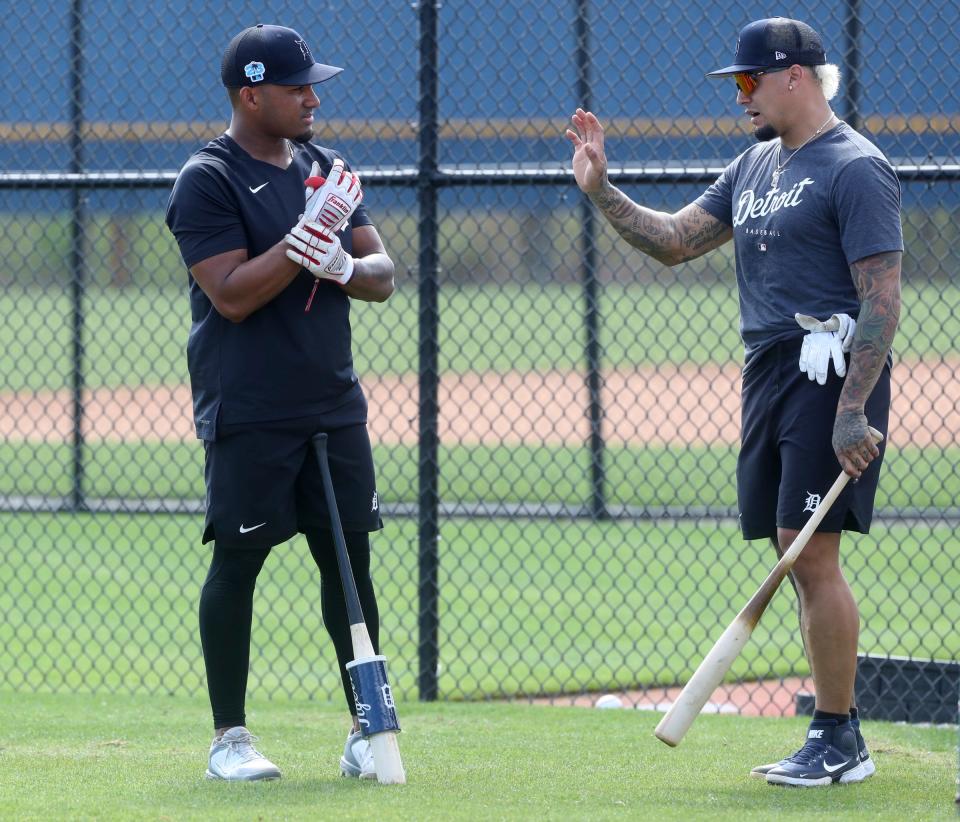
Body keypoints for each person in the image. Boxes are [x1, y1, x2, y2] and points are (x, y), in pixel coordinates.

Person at [567, 17, 901, 787]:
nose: (741, 97)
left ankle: (838, 736)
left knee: (810, 550)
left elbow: (881, 298)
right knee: (791, 544)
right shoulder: (753, 165)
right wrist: (601, 190)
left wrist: (855, 408)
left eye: (751, 82)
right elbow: (676, 239)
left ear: (798, 76)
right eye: (738, 85)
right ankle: (836, 733)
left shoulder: (856, 166)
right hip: (769, 370)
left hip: (829, 367)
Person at [164, 23, 396, 781]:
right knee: (239, 562)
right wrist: (307, 242)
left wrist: (336, 258)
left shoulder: (325, 166)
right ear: (250, 94)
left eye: (313, 85)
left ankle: (368, 729)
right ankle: (229, 740)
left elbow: (382, 272)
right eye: (297, 88)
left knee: (349, 563)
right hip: (251, 405)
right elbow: (229, 295)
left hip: (332, 403)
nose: (311, 99)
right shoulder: (208, 177)